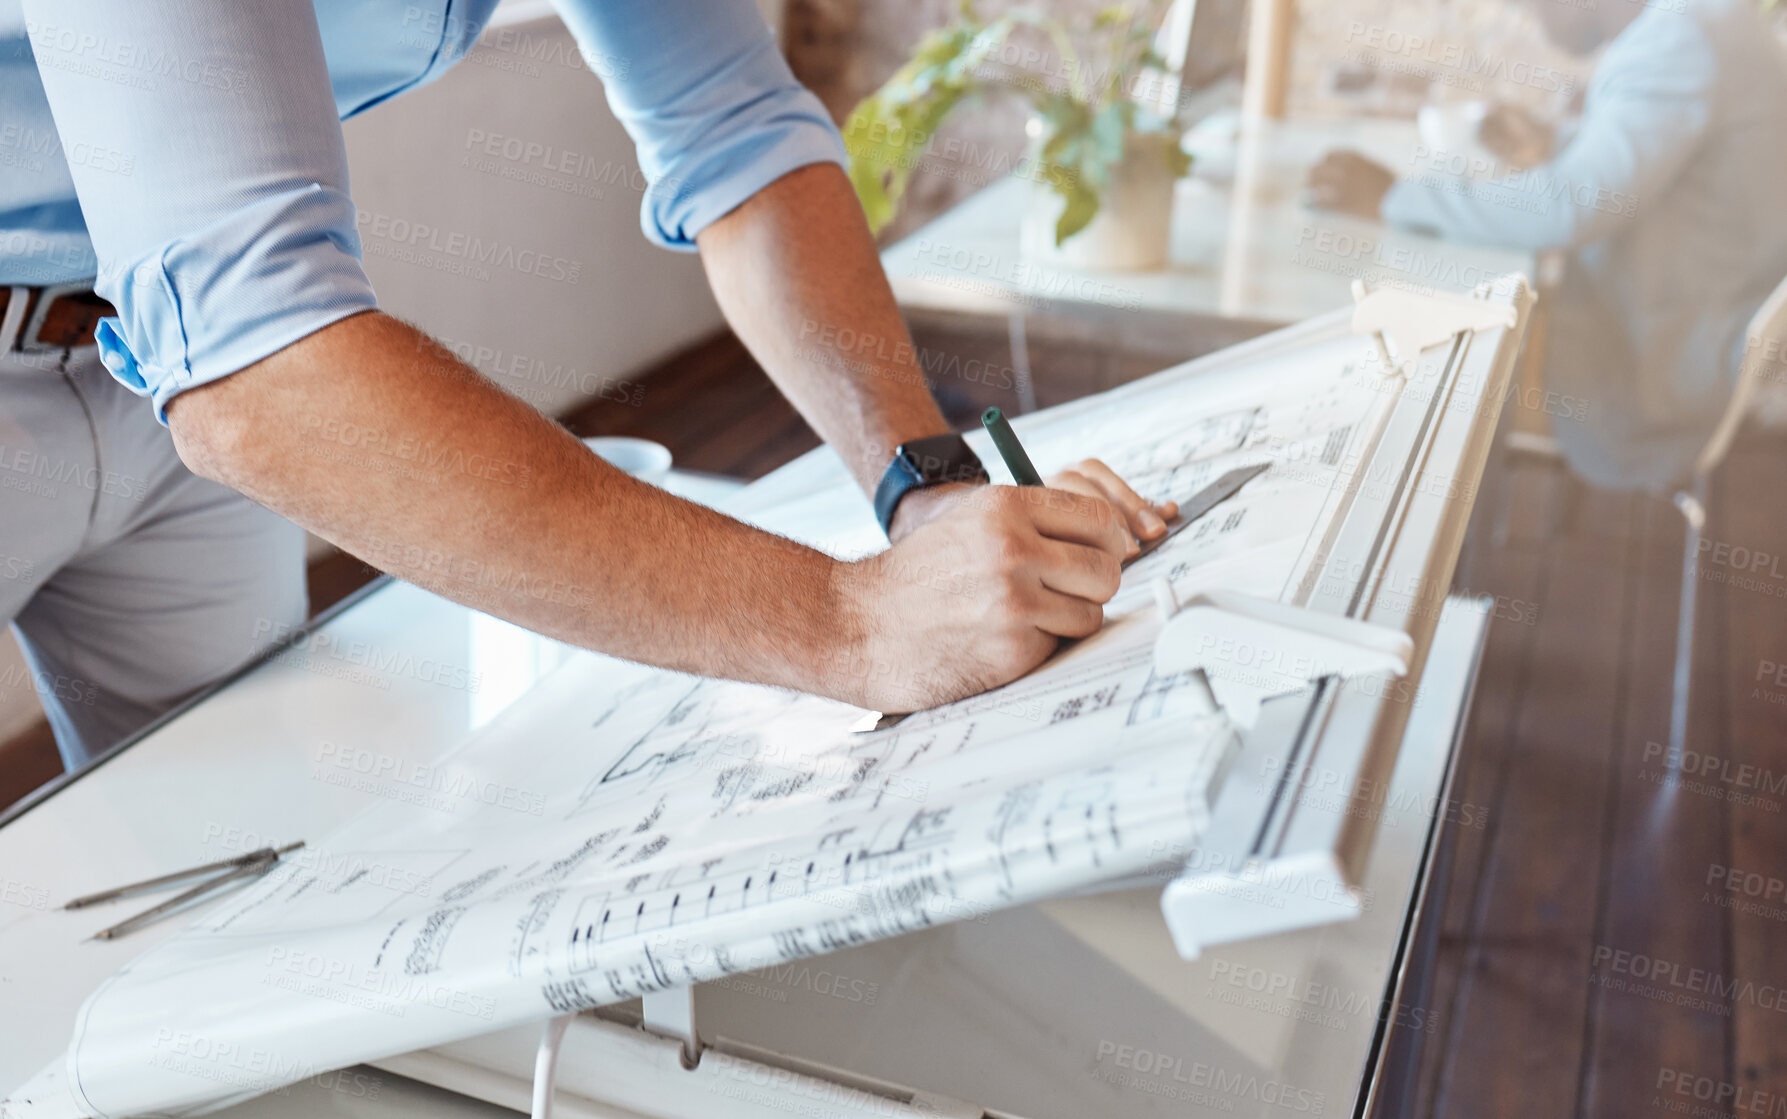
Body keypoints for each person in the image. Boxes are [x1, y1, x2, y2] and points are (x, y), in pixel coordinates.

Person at [1, 0, 1176, 770]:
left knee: (212, 851)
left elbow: (739, 137)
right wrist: (851, 620)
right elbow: (259, 371)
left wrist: (923, 486)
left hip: (141, 346)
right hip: (206, 358)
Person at [1305, 0, 1787, 490]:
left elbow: (1568, 211)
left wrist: (1396, 197)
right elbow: (1658, 171)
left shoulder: (1681, 40)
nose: (1528, 20)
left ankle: (1465, 551)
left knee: (1424, 397)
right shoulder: (1708, 19)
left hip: (1658, 390)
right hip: (1701, 351)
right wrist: (1559, 142)